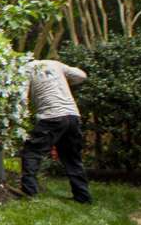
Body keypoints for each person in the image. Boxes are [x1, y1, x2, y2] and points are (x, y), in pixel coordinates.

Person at [20, 56, 92, 204]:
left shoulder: (26, 69)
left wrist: (19, 116)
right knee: (72, 158)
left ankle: (29, 193)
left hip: (51, 117)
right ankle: (83, 197)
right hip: (73, 116)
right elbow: (82, 76)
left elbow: (22, 97)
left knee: (32, 152)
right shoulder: (56, 64)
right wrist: (66, 80)